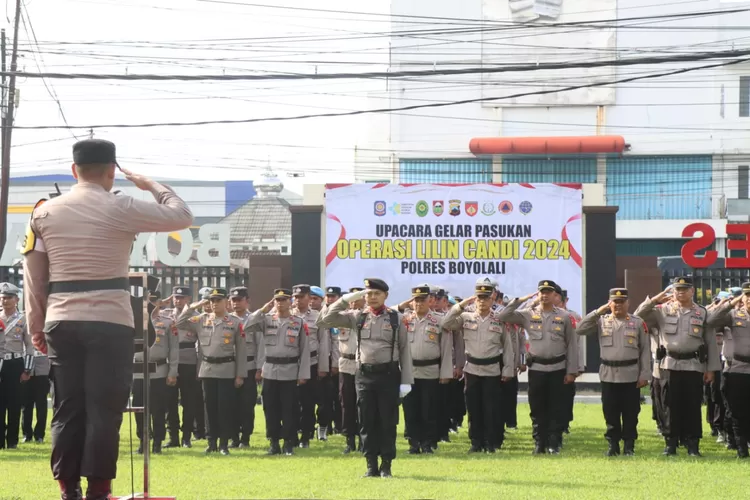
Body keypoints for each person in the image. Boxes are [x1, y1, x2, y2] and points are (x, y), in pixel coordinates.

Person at [22, 139, 193, 500]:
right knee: (105, 408)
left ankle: (68, 489)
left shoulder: (43, 212)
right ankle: (100, 489)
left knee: (67, 406)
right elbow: (182, 215)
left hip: (61, 319)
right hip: (110, 321)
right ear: (112, 171)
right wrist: (151, 185)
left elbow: (35, 279)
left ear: (74, 170)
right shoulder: (123, 205)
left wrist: (37, 326)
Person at [319, 278, 413, 478]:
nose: (372, 297)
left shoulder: (396, 318)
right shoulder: (357, 316)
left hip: (388, 376)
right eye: (368, 293)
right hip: (364, 376)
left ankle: (386, 465)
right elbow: (326, 319)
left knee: (387, 422)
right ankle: (371, 465)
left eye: (376, 293)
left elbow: (405, 351)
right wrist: (345, 299)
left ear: (385, 295)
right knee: (366, 421)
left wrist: (406, 381)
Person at [635, 276, 721, 457]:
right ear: (673, 292)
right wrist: (653, 301)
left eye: (684, 289)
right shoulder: (662, 310)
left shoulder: (702, 313)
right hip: (669, 364)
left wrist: (711, 369)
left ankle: (693, 445)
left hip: (693, 365)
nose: (680, 292)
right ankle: (671, 443)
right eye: (677, 289)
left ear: (692, 291)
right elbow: (638, 316)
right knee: (669, 405)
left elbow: (710, 342)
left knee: (692, 405)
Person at [496, 280, 579, 455]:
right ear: (537, 294)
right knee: (537, 407)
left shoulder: (564, 316)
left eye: (549, 292)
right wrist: (521, 300)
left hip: (558, 368)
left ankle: (554, 442)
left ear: (554, 295)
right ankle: (539, 442)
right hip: (537, 369)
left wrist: (572, 371)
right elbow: (503, 316)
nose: (545, 295)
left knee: (556, 406)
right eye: (542, 291)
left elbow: (571, 345)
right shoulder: (527, 314)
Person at [576, 288, 650, 456]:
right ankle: (613, 445)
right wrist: (597, 311)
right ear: (609, 303)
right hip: (609, 373)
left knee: (631, 412)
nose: (618, 305)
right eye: (614, 302)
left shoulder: (637, 322)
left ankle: (629, 445)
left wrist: (644, 374)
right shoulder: (601, 321)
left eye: (621, 302)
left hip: (630, 373)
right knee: (610, 411)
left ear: (628, 303)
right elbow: (580, 329)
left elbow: (644, 350)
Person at [442, 285, 515, 454]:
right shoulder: (465, 317)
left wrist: (508, 370)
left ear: (492, 300)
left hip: (492, 369)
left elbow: (507, 346)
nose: (482, 301)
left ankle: (490, 443)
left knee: (491, 408)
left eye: (486, 298)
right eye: (479, 298)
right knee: (474, 408)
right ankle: (476, 442)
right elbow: (446, 323)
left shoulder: (499, 319)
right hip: (472, 369)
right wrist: (460, 306)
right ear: (474, 299)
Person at [176, 288, 247, 455]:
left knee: (225, 407)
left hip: (226, 369)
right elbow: (179, 323)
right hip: (207, 369)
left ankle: (223, 443)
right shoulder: (201, 319)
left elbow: (242, 350)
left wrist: (240, 374)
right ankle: (211, 441)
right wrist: (195, 305)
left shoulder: (235, 322)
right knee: (209, 408)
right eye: (212, 301)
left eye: (218, 300)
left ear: (226, 302)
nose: (214, 304)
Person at [245, 288, 310, 456]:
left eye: (284, 299)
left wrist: (303, 374)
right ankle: (273, 442)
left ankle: (288, 443)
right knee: (270, 408)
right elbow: (247, 325)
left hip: (290, 370)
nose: (280, 303)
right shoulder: (266, 320)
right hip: (270, 371)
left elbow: (304, 350)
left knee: (289, 408)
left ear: (291, 302)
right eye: (277, 300)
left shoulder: (299, 322)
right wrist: (263, 310)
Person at [401, 285, 453, 454]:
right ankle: (413, 443)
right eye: (415, 300)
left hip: (431, 370)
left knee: (429, 409)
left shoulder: (439, 320)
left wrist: (445, 372)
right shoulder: (405, 320)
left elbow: (446, 348)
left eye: (422, 300)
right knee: (410, 409)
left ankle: (428, 443)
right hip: (409, 371)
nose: (418, 304)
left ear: (429, 301)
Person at [132, 291, 179, 455]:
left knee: (158, 408)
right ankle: (143, 440)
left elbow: (174, 349)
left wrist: (173, 371)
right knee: (138, 408)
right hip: (138, 370)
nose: (150, 303)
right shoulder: (135, 321)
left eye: (153, 301)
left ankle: (158, 441)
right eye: (147, 300)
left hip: (159, 370)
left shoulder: (167, 322)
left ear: (160, 302)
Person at [159, 286, 200, 449]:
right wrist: (160, 303)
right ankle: (173, 436)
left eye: (182, 297)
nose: (178, 300)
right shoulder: (165, 315)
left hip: (189, 360)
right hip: (170, 362)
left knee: (189, 401)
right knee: (170, 402)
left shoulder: (196, 317)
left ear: (188, 299)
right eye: (175, 297)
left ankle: (187, 437)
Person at [0, 282, 33, 450]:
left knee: (14, 403)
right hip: (0, 363)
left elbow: (29, 346)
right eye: (3, 297)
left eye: (8, 298)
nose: (4, 301)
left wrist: (27, 369)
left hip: (15, 363)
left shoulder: (23, 319)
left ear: (16, 299)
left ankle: (12, 441)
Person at [228, 286, 259, 449]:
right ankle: (233, 437)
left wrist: (260, 368)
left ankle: (245, 437)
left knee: (247, 405)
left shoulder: (254, 319)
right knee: (231, 404)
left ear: (247, 301)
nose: (236, 303)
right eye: (233, 300)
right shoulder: (226, 319)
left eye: (239, 300)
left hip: (249, 366)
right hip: (230, 366)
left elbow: (260, 345)